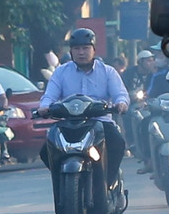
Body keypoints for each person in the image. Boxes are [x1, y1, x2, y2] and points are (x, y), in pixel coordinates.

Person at [36, 27, 130, 193]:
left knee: (118, 143)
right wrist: (44, 107)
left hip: (101, 123)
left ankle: (109, 184)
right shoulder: (60, 73)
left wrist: (121, 104)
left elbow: (120, 95)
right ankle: (64, 183)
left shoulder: (108, 72)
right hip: (69, 124)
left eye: (85, 48)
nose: (81, 52)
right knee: (46, 150)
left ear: (94, 49)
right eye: (77, 49)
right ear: (71, 51)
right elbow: (49, 96)